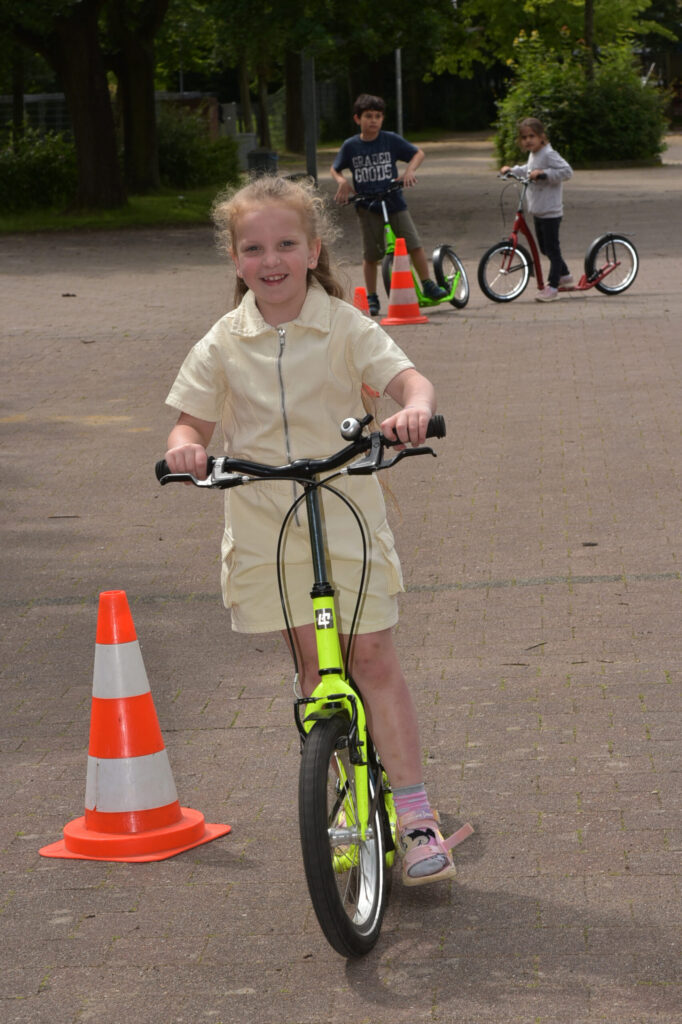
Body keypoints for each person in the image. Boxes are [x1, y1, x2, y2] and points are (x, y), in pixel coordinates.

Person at [163, 174, 458, 886]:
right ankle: (346, 798)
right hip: (267, 517)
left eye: (286, 244)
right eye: (255, 247)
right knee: (314, 668)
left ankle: (417, 816)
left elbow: (410, 380)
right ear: (236, 260)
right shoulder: (224, 340)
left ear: (312, 249)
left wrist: (410, 411)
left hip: (346, 508)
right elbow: (189, 419)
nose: (272, 260)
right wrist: (186, 446)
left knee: (373, 659)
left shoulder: (346, 325)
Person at [331, 93, 448, 316]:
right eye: (368, 116)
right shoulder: (351, 146)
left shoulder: (390, 139)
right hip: (367, 206)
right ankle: (372, 297)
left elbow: (418, 153)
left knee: (413, 243)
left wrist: (409, 171)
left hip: (394, 201)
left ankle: (428, 284)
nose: (373, 120)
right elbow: (335, 167)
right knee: (370, 255)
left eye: (377, 116)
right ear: (357, 119)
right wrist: (341, 181)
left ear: (383, 119)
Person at [501, 116, 573, 302]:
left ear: (542, 136)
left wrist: (544, 174)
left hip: (550, 211)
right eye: (524, 137)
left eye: (532, 136)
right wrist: (512, 170)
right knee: (545, 249)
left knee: (552, 249)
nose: (528, 140)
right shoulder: (534, 154)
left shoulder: (548, 153)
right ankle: (564, 275)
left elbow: (567, 171)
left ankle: (553, 287)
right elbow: (528, 169)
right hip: (538, 210)